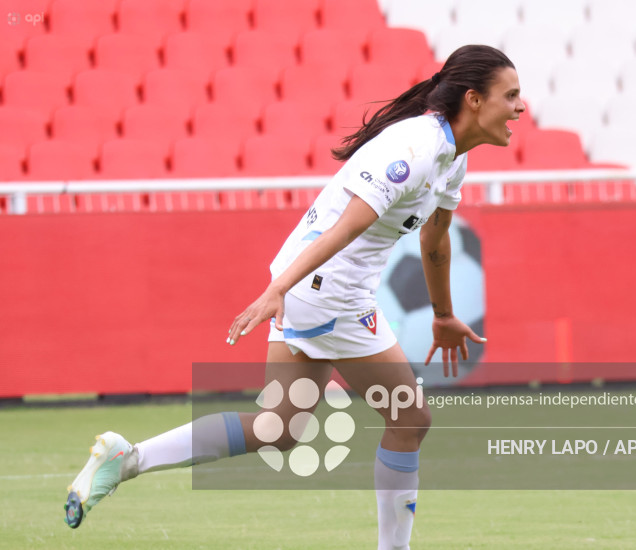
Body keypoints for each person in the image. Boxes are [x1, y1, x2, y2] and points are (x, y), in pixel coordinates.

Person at [64, 44, 525, 549]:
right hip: (330, 295)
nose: (520, 108)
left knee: (277, 428)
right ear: (474, 100)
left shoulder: (451, 158)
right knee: (409, 418)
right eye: (511, 96)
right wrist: (278, 288)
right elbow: (346, 227)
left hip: (313, 290)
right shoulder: (414, 150)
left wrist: (442, 315)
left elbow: (434, 240)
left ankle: (127, 458)